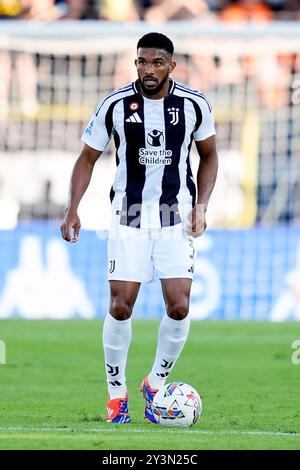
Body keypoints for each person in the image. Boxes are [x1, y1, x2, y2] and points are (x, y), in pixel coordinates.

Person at [60, 32, 218, 424]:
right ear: (136, 64)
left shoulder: (194, 104)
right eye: (142, 62)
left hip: (175, 214)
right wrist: (72, 208)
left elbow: (210, 157)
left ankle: (155, 382)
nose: (149, 70)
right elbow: (86, 158)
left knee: (179, 305)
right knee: (120, 305)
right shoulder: (115, 105)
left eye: (157, 63)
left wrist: (201, 206)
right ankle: (117, 395)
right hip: (128, 212)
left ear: (171, 66)